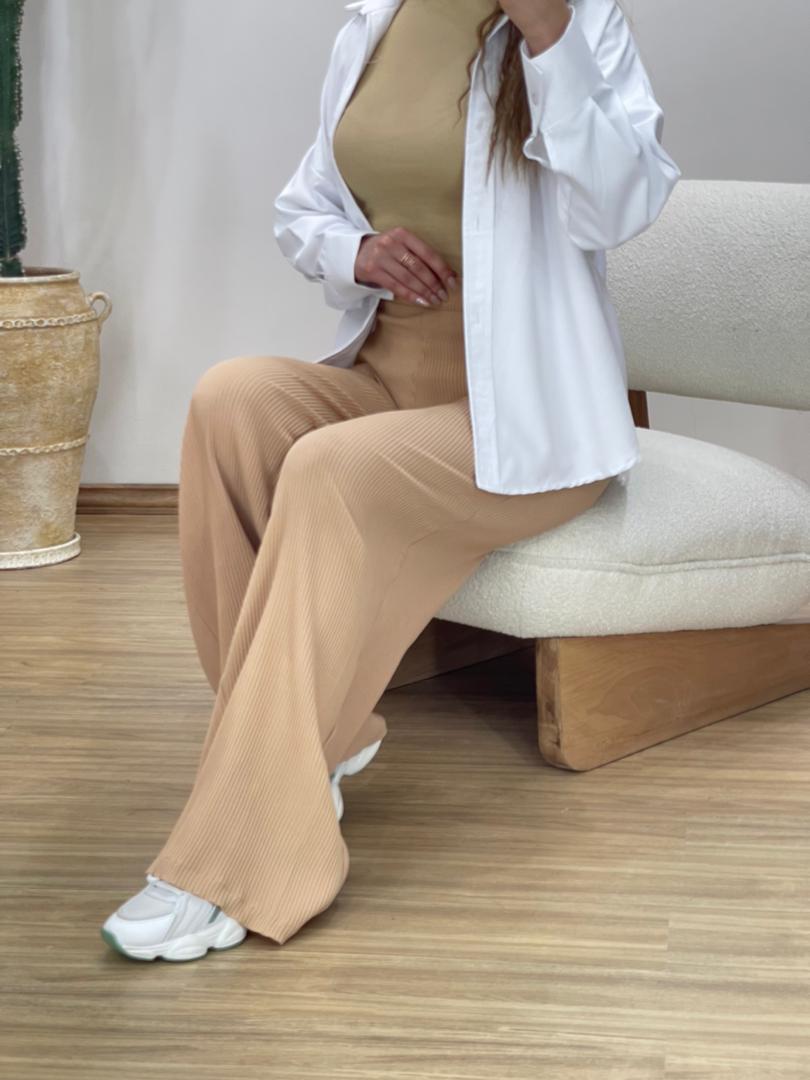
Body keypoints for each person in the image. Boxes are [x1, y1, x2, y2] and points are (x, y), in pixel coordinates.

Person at [102, 0, 680, 961]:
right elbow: (305, 206)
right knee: (229, 402)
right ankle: (313, 745)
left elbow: (624, 206)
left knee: (328, 468)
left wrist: (549, 38)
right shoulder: (382, 16)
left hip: (529, 424)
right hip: (387, 382)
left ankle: (244, 849)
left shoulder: (575, 21)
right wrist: (356, 253)